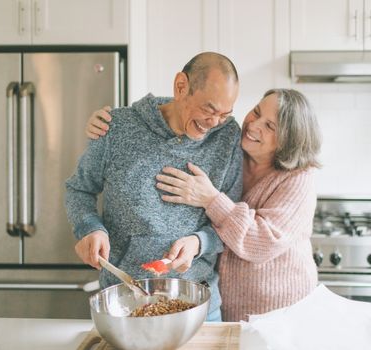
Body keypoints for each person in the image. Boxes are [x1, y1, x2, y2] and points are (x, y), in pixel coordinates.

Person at [86, 88, 322, 321]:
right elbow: (188, 110)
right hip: (227, 305)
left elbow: (262, 242)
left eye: (270, 126)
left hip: (281, 311)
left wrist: (210, 199)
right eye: (256, 112)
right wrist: (115, 121)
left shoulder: (298, 178)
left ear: (289, 141)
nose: (254, 125)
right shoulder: (234, 149)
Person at [65, 52, 243, 322]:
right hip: (124, 304)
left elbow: (231, 219)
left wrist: (199, 242)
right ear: (181, 86)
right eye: (209, 110)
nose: (214, 123)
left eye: (224, 114)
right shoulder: (118, 127)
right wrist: (89, 228)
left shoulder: (227, 136)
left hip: (199, 307)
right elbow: (79, 189)